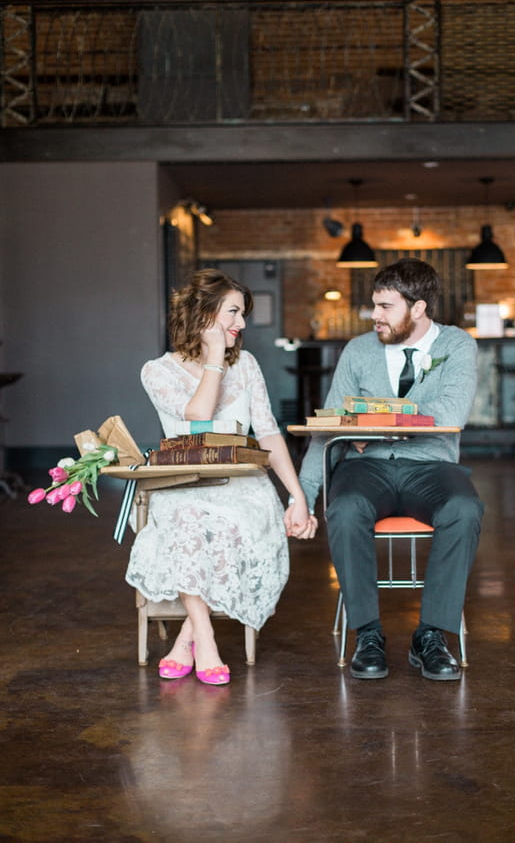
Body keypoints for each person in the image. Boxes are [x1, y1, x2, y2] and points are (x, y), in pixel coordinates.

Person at [126, 268, 317, 685]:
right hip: (183, 485)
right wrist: (214, 358)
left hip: (242, 487)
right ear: (203, 315)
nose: (242, 324)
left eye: (243, 314)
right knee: (190, 522)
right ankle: (206, 637)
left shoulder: (246, 365)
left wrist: (297, 496)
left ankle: (187, 639)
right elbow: (197, 417)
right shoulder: (156, 371)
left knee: (229, 526)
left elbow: (267, 432)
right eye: (233, 312)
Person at [298, 258, 483, 681]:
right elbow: (329, 427)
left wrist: (371, 423)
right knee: (343, 509)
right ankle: (368, 634)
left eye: (385, 307)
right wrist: (303, 497)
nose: (374, 316)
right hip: (365, 467)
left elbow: (452, 412)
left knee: (465, 509)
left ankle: (431, 635)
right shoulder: (359, 350)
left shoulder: (456, 345)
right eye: (374, 306)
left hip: (432, 465)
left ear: (418, 309)